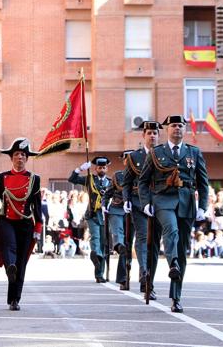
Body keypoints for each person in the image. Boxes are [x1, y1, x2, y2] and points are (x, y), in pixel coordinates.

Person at [138, 115, 209, 313]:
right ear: (166, 129)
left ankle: (176, 297)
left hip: (187, 202)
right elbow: (143, 181)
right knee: (171, 230)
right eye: (173, 125)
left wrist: (203, 206)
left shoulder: (193, 152)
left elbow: (203, 182)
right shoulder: (156, 152)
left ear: (184, 129)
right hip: (163, 199)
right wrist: (145, 203)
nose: (177, 128)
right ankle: (173, 263)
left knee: (182, 248)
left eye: (180, 125)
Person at [0, 138, 42, 311]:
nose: (20, 158)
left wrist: (38, 226)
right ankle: (10, 266)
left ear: (27, 158)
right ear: (11, 158)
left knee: (21, 262)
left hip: (25, 222)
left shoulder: (34, 179)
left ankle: (14, 299)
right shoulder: (3, 177)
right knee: (9, 247)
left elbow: (37, 205)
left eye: (23, 155)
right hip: (6, 220)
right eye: (16, 154)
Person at [122, 120, 163, 300]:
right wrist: (126, 200)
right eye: (149, 133)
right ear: (143, 136)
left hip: (160, 203)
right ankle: (145, 276)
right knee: (143, 238)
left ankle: (149, 277)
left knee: (154, 241)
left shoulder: (164, 154)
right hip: (139, 203)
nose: (152, 136)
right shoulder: (134, 157)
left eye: (155, 133)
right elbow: (127, 182)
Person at [68, 156, 111, 283]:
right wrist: (80, 168)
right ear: (95, 168)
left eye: (103, 167)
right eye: (99, 167)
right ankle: (96, 254)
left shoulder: (111, 182)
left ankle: (99, 274)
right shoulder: (89, 179)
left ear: (107, 168)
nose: (101, 169)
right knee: (96, 237)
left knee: (104, 243)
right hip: (92, 214)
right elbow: (72, 179)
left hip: (106, 215)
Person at [104, 151, 131, 290]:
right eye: (127, 159)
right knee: (120, 240)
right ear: (124, 161)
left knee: (129, 244)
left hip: (134, 212)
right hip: (117, 210)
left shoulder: (143, 174)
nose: (130, 161)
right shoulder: (118, 176)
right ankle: (123, 278)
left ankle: (136, 276)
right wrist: (104, 205)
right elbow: (108, 194)